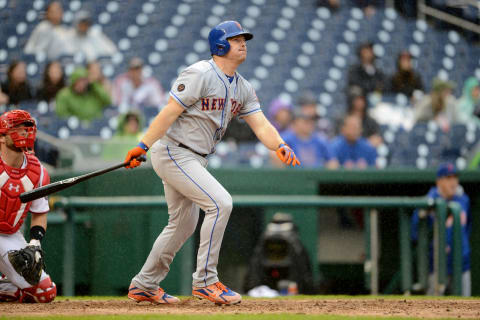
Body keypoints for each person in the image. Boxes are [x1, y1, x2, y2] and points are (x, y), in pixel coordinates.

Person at [123, 21, 300, 305]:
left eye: (244, 39)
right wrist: (142, 145)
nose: (243, 43)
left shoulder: (242, 87)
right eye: (235, 39)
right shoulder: (200, 73)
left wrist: (278, 144)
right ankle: (205, 281)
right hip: (174, 151)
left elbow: (260, 124)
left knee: (181, 225)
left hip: (194, 158)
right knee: (220, 203)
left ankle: (144, 284)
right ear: (220, 45)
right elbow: (169, 112)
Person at [0, 109, 56, 303]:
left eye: (27, 128)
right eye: (17, 128)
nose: (24, 133)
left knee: (46, 292)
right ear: (2, 136)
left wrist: (34, 243)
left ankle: (6, 287)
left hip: (8, 235)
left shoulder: (38, 172)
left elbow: (39, 213)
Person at [411, 163, 471, 296]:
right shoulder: (428, 201)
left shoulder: (463, 199)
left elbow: (467, 228)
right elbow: (415, 234)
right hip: (436, 266)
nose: (453, 182)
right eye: (448, 178)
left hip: (461, 264)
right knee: (434, 310)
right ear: (439, 181)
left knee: (465, 310)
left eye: (455, 178)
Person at [273, 110, 337, 168]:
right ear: (295, 123)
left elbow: (332, 161)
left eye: (311, 121)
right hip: (294, 176)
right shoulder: (286, 139)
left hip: (316, 176)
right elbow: (275, 155)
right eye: (305, 121)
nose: (309, 124)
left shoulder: (320, 140)